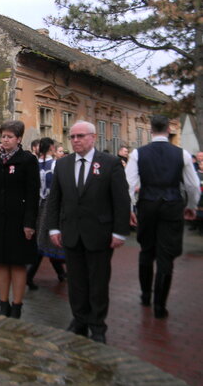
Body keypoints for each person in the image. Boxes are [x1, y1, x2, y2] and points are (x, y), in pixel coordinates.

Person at [47, 120, 130, 344]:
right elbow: (54, 200)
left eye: (80, 136)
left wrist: (120, 232)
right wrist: (53, 227)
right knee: (76, 282)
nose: (75, 140)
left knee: (98, 282)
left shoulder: (110, 163)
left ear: (92, 137)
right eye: (72, 137)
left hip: (99, 234)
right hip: (71, 233)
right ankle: (79, 320)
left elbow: (122, 201)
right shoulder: (63, 165)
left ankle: (98, 325)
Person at [125, 115, 200, 319]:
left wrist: (130, 208)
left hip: (148, 204)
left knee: (146, 250)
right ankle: (160, 305)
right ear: (168, 129)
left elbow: (129, 184)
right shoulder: (182, 154)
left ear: (151, 130)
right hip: (172, 204)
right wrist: (192, 206)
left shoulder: (138, 154)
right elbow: (193, 185)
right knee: (166, 255)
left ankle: (145, 295)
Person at [0, 120, 39, 319]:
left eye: (9, 137)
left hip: (19, 220)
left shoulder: (27, 160)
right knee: (1, 263)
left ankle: (17, 305)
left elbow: (32, 194)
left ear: (19, 139)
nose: (5, 140)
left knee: (18, 264)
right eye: (3, 136)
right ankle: (3, 304)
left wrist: (30, 223)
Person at [26, 137, 66, 290]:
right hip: (52, 205)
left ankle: (60, 273)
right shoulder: (56, 164)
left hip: (38, 205)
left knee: (46, 239)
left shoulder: (34, 164)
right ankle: (29, 276)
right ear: (51, 148)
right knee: (46, 240)